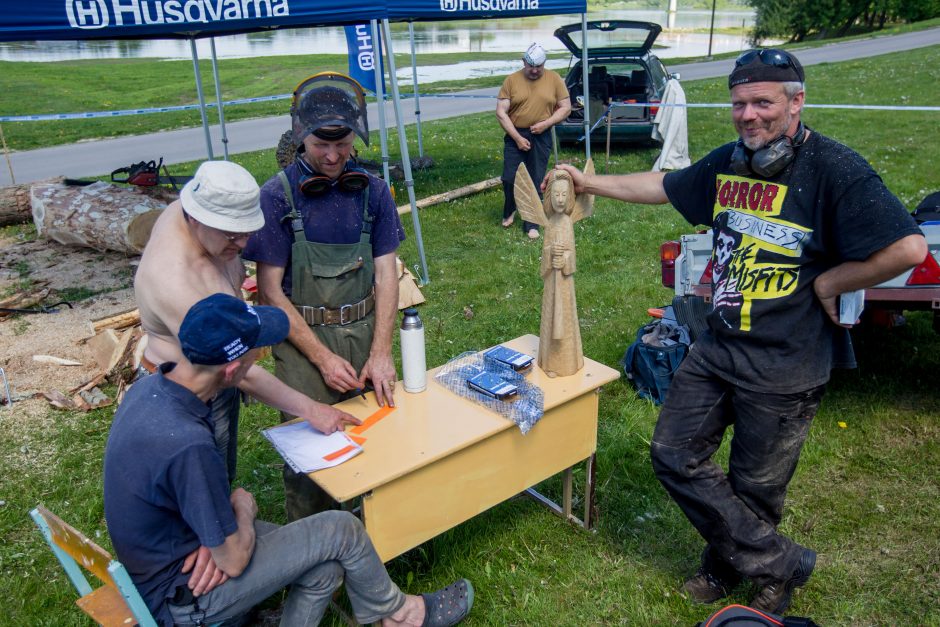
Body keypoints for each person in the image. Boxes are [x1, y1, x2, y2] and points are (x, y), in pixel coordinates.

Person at [553, 49, 927, 614]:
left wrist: (831, 282)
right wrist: (589, 182)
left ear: (796, 102)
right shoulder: (730, 161)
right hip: (718, 345)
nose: (749, 115)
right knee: (672, 452)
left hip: (786, 363)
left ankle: (740, 573)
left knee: (756, 486)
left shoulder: (834, 168)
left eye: (763, 103)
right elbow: (666, 185)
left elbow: (909, 247)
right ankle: (783, 562)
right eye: (739, 105)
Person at [104, 293, 474, 627]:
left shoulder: (152, 388)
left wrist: (209, 531)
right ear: (233, 370)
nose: (259, 357)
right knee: (342, 529)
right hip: (181, 598)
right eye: (256, 351)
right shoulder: (189, 445)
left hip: (170, 559)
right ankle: (402, 616)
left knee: (325, 568)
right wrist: (242, 507)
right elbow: (232, 560)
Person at [135, 159, 360, 485]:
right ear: (196, 218)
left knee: (220, 475)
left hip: (216, 382)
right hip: (182, 393)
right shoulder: (176, 282)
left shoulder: (199, 215)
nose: (242, 245)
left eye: (247, 232)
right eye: (231, 236)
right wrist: (312, 409)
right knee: (201, 486)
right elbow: (242, 372)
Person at [242, 73, 405, 521]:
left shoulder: (373, 192)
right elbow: (271, 291)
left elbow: (387, 275)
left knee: (381, 440)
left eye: (344, 143)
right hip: (302, 342)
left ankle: (375, 537)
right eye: (320, 145)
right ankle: (315, 557)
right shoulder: (277, 196)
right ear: (299, 137)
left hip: (365, 333)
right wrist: (321, 359)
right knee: (311, 461)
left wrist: (382, 351)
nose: (333, 156)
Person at [496, 42, 571, 239]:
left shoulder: (554, 79)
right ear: (524, 62)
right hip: (516, 134)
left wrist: (547, 123)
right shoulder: (511, 81)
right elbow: (501, 112)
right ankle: (510, 208)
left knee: (536, 178)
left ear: (544, 64)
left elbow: (565, 107)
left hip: (541, 133)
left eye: (539, 66)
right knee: (509, 177)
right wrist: (518, 138)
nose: (535, 70)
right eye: (531, 66)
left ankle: (532, 223)